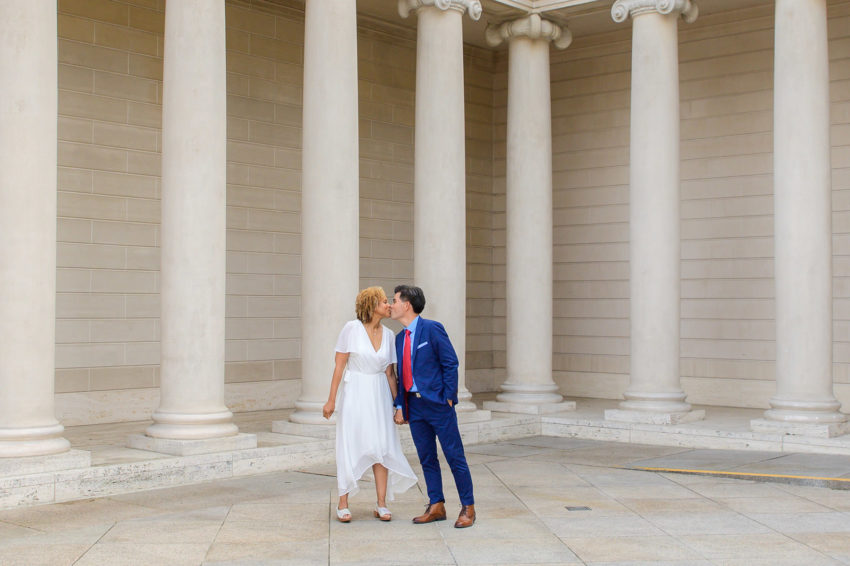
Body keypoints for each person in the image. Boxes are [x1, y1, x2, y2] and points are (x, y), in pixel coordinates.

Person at [323, 286, 418, 523]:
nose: (388, 305)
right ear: (370, 304)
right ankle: (343, 502)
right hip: (355, 392)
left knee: (381, 446)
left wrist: (399, 405)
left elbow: (390, 373)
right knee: (350, 444)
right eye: (384, 301)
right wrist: (331, 399)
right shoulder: (350, 329)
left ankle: (382, 504)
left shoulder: (388, 335)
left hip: (379, 395)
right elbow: (339, 367)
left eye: (389, 301)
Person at [390, 285, 475, 528]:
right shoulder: (399, 338)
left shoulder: (432, 329)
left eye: (394, 300)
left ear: (407, 305)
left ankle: (468, 507)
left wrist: (448, 397)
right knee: (426, 458)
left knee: (454, 455)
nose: (391, 305)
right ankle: (436, 505)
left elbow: (450, 362)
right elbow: (400, 375)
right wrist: (400, 406)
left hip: (438, 404)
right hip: (414, 408)